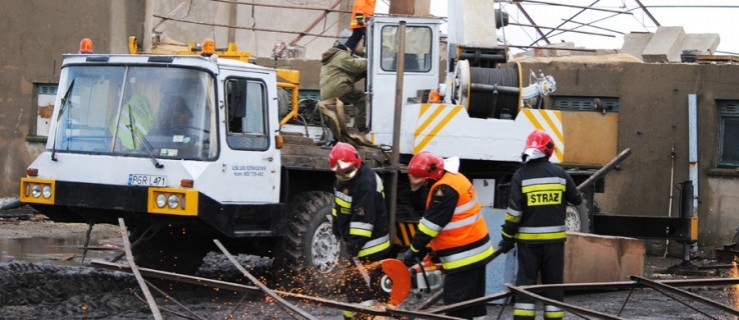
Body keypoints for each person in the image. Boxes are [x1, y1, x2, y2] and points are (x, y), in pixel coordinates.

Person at [498, 129, 583, 320]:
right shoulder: (560, 174)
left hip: (528, 244)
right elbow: (576, 199)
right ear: (549, 150)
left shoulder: (520, 175)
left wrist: (507, 238)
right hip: (554, 244)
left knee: (526, 284)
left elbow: (514, 214)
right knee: (553, 285)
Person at [401, 151, 495, 320]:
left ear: (431, 176)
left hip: (464, 255)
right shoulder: (455, 178)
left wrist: (414, 250)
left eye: (425, 181)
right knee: (474, 303)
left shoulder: (444, 190)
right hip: (476, 249)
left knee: (456, 305)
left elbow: (431, 226)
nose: (423, 185)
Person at [328, 142, 391, 320]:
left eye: (346, 172)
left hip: (371, 245)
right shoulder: (342, 178)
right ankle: (354, 316)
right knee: (354, 287)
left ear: (357, 162)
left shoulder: (366, 183)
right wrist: (336, 228)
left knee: (362, 289)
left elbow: (363, 221)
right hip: (356, 242)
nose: (343, 176)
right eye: (339, 173)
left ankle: (367, 316)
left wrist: (353, 246)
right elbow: (338, 206)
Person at [320, 41, 368, 132]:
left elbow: (348, 76)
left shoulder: (331, 58)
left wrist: (363, 74)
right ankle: (362, 127)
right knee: (361, 98)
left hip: (327, 93)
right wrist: (371, 61)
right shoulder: (341, 55)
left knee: (352, 97)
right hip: (339, 90)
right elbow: (356, 67)